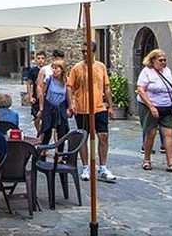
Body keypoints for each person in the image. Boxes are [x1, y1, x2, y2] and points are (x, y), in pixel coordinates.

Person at [67, 42, 116, 182]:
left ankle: (103, 166)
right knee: (83, 137)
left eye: (87, 51)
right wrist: (71, 104)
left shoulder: (101, 67)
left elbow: (106, 88)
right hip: (83, 108)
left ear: (94, 51)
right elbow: (69, 87)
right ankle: (86, 166)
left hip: (99, 107)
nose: (85, 54)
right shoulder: (77, 68)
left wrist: (111, 106)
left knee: (103, 135)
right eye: (83, 51)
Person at [136, 48, 172, 174]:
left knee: (169, 134)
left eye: (164, 60)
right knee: (151, 134)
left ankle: (171, 163)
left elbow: (170, 86)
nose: (163, 62)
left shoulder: (167, 71)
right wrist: (151, 107)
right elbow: (141, 90)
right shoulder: (146, 72)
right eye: (160, 60)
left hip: (166, 106)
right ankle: (146, 159)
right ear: (152, 61)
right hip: (149, 106)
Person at [38, 60, 70, 145]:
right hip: (49, 107)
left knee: (61, 132)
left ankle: (59, 155)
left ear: (62, 70)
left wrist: (69, 107)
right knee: (47, 131)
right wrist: (41, 108)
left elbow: (68, 95)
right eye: (53, 68)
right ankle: (42, 152)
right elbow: (42, 93)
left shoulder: (66, 81)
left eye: (56, 68)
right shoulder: (49, 79)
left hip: (60, 107)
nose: (54, 70)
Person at [26, 51, 46, 134]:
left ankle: (43, 136)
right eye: (39, 58)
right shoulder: (33, 71)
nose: (40, 60)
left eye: (42, 58)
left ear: (45, 59)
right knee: (36, 119)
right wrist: (30, 96)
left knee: (45, 119)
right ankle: (40, 132)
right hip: (36, 97)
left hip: (46, 98)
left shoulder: (48, 70)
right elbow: (29, 83)